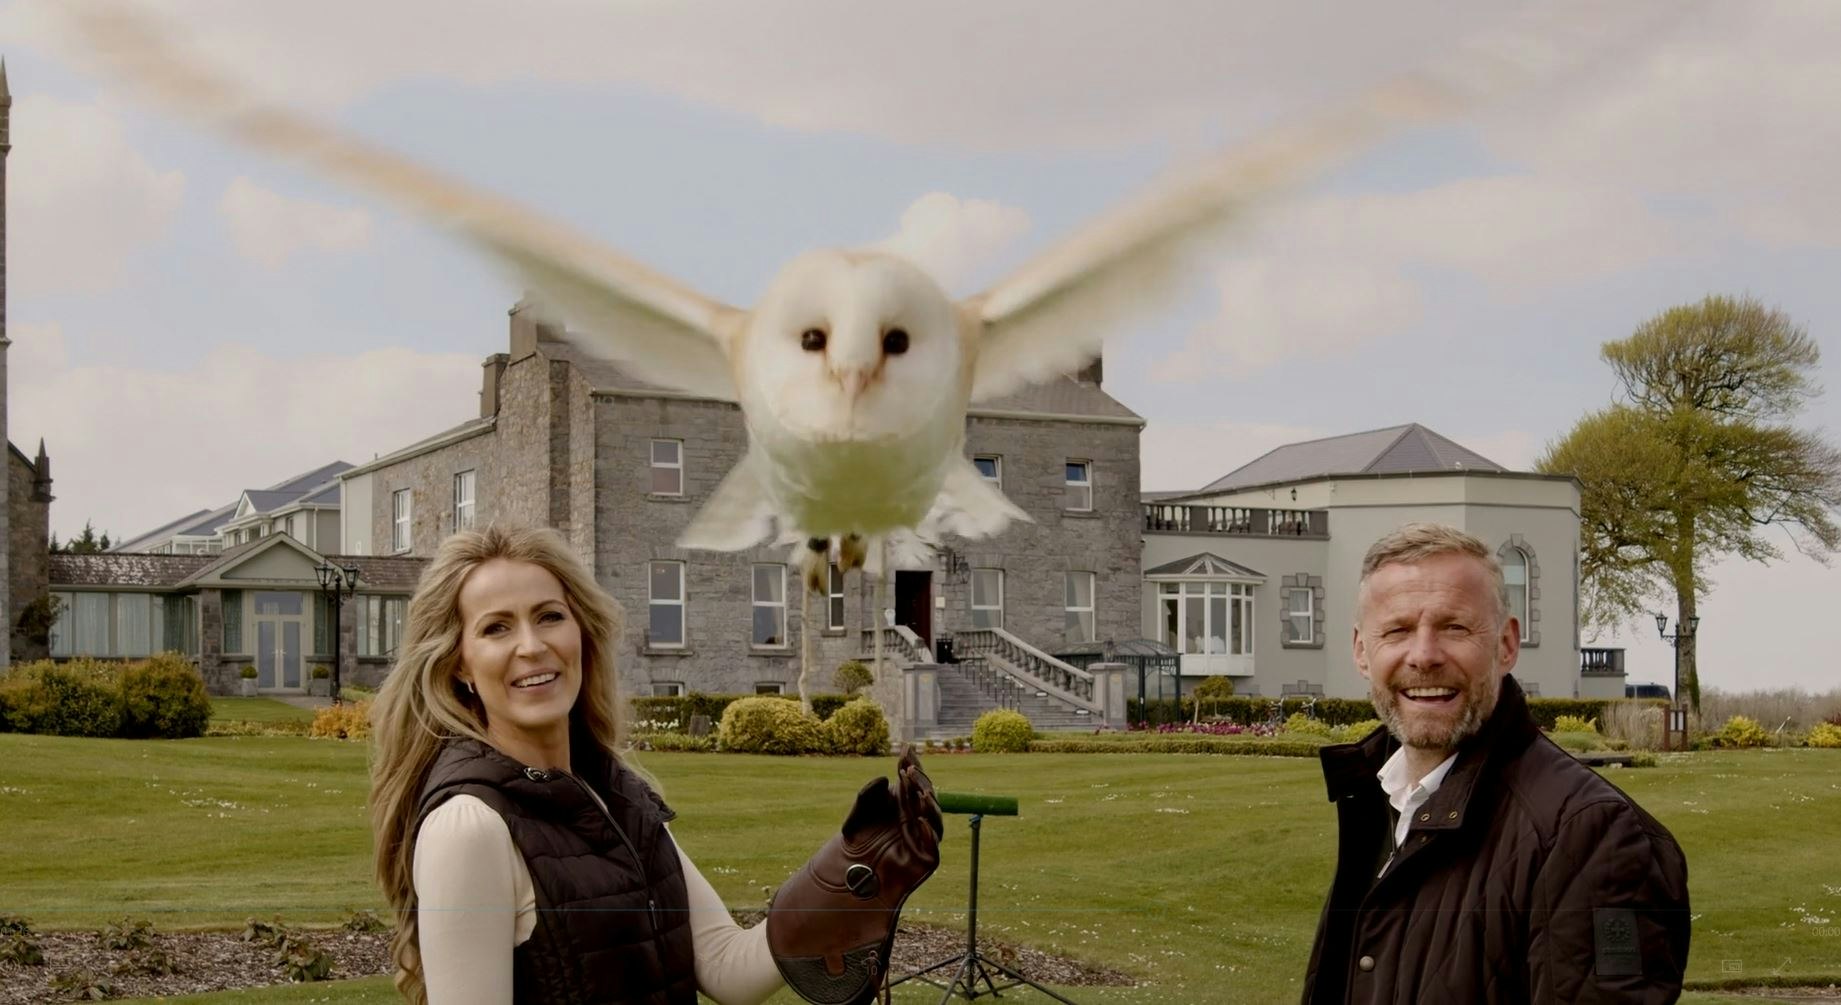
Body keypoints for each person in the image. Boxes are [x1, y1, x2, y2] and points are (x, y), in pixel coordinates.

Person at [368, 525, 941, 1004]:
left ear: (581, 633)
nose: (531, 646)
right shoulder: (469, 828)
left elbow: (723, 962)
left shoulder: (615, 795)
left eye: (548, 616)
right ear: (460, 665)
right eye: (496, 627)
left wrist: (853, 874)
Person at [1302, 523, 1690, 1004]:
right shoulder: (1375, 799)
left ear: (1506, 645)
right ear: (1362, 650)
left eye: (1455, 627)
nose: (1423, 655)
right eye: (1398, 630)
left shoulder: (1589, 834)